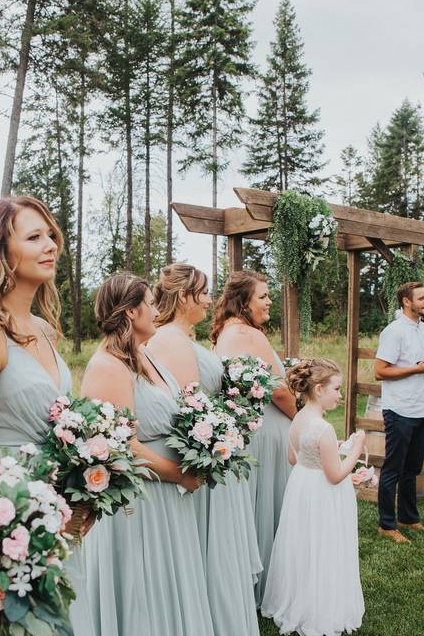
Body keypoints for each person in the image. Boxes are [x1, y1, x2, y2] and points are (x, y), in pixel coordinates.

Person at [0, 196, 94, 633]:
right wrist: (29, 515)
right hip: (10, 520)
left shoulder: (44, 329)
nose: (51, 244)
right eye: (34, 237)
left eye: (50, 234)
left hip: (59, 514)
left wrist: (80, 489)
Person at [81, 273, 214, 636]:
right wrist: (180, 474)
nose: (157, 309)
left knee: (169, 584)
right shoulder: (107, 367)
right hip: (139, 499)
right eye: (151, 304)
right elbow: (122, 447)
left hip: (166, 496)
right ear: (130, 312)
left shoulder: (144, 355)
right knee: (143, 591)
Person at [146, 263, 261, 636]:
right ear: (184, 296)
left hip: (219, 449)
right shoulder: (170, 339)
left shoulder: (183, 338)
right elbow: (189, 405)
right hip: (207, 455)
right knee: (214, 552)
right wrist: (225, 428)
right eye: (204, 292)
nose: (211, 300)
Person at [261, 359, 366, 636]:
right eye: (336, 389)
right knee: (325, 545)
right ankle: (322, 608)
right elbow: (335, 474)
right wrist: (356, 448)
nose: (340, 395)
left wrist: (336, 448)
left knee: (305, 546)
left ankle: (299, 599)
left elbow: (294, 457)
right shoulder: (323, 428)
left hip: (302, 487)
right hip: (324, 493)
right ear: (319, 389)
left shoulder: (297, 419)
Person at [211, 269, 296, 606]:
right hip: (270, 432)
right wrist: (303, 417)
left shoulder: (224, 334)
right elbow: (279, 393)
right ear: (243, 301)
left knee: (253, 506)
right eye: (263, 296)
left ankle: (251, 585)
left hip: (247, 435)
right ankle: (273, 586)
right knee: (273, 506)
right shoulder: (251, 335)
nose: (269, 301)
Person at [374, 281, 424, 543]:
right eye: (422, 298)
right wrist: (416, 369)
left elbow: (420, 364)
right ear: (406, 301)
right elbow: (380, 371)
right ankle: (387, 525)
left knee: (412, 468)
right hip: (400, 409)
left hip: (421, 407)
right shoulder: (393, 332)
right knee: (393, 468)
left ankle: (409, 518)